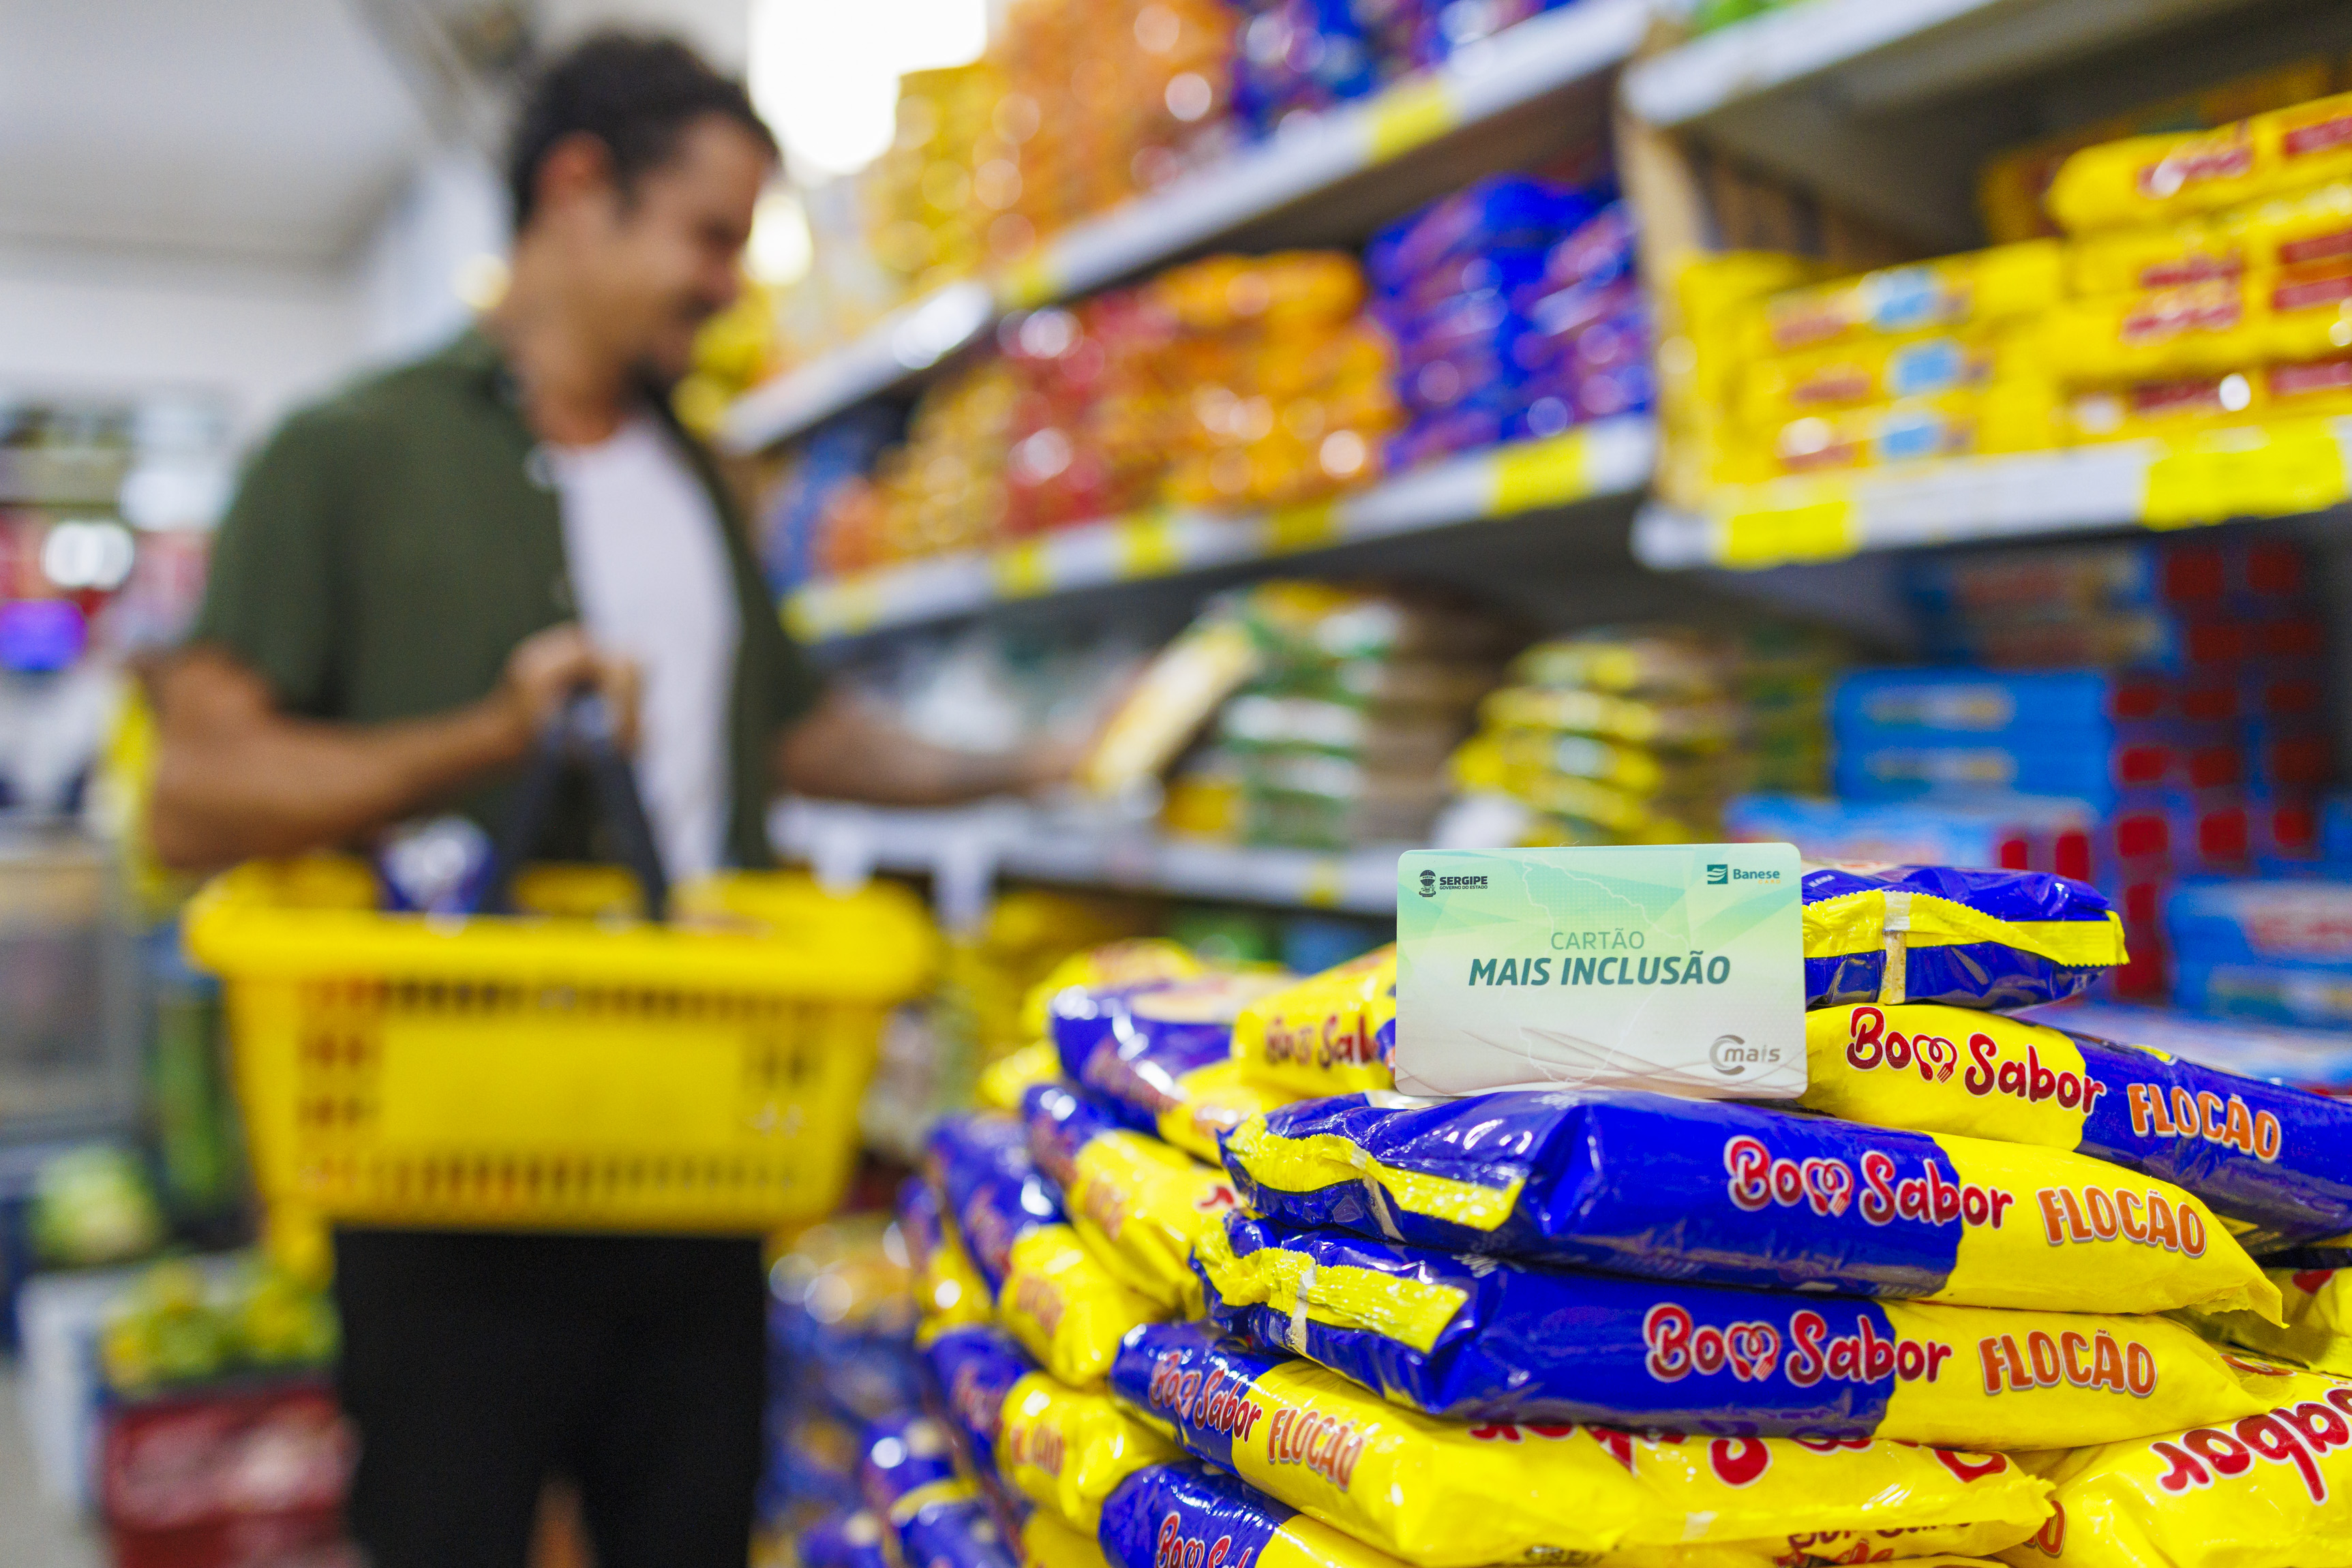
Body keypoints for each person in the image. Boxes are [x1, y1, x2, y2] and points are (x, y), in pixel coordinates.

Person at [148, 33, 1065, 1568]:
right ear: (580, 189)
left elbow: (800, 735)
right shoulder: (347, 455)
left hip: (701, 1166)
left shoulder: (701, 479)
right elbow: (196, 798)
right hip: (444, 1179)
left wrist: (1041, 758)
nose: (724, 284)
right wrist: (482, 734)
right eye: (708, 234)